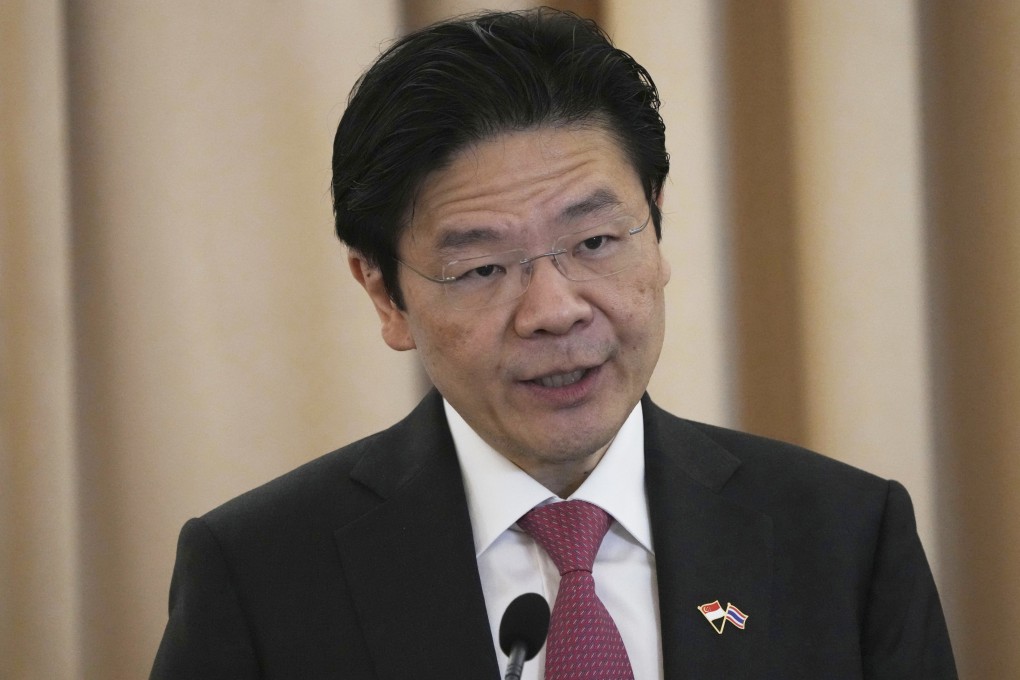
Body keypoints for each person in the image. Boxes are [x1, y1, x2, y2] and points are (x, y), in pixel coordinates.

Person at [150, 8, 957, 679]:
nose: (555, 310)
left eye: (597, 241)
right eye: (483, 268)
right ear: (384, 295)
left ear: (657, 225)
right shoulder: (260, 575)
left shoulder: (846, 538)